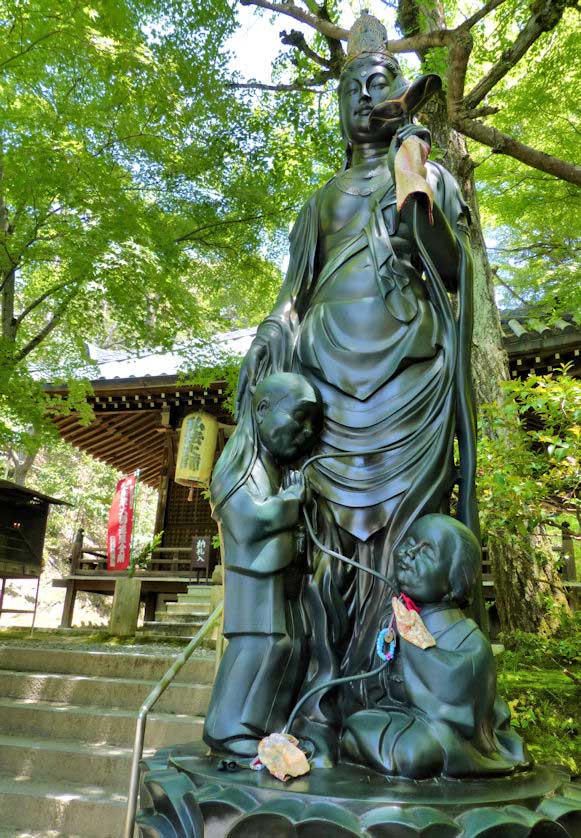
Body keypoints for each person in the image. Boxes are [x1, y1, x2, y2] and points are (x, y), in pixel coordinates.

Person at [233, 12, 479, 761]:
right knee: (326, 547)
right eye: (352, 86)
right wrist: (272, 333)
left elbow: (449, 267)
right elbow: (291, 292)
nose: (365, 95)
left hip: (407, 378)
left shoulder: (423, 171)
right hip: (325, 392)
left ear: (402, 96)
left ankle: (399, 695)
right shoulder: (323, 199)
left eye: (380, 82)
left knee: (405, 545)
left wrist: (417, 198)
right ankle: (323, 701)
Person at [341, 514, 531, 778]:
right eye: (409, 543)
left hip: (444, 733)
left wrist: (418, 643)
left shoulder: (469, 639)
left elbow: (455, 698)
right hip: (402, 719)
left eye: (426, 552)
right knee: (353, 727)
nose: (409, 554)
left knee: (414, 751)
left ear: (454, 579)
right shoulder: (398, 619)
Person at [203, 372, 323, 757]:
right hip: (252, 572)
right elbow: (248, 518)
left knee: (288, 644)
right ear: (263, 409)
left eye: (312, 425)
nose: (305, 432)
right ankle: (227, 727)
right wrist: (290, 503)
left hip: (277, 572)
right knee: (259, 644)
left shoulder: (272, 468)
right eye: (299, 417)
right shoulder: (238, 464)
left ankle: (267, 726)